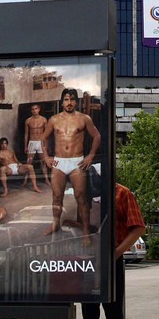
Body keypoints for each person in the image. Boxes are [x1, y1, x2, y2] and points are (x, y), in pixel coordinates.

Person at [76, 183, 145, 319]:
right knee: (88, 312)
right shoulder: (85, 191)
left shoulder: (122, 193)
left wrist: (117, 252)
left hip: (109, 259)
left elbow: (138, 226)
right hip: (87, 259)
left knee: (113, 311)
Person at [41, 88, 101, 243]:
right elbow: (43, 139)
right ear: (62, 102)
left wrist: (91, 155)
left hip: (76, 162)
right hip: (59, 162)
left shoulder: (84, 118)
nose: (69, 102)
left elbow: (96, 136)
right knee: (56, 196)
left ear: (76, 101)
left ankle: (86, 230)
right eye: (66, 99)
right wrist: (46, 157)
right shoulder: (53, 119)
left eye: (72, 99)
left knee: (81, 197)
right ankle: (55, 224)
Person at [24, 104, 50, 185]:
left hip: (40, 142)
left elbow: (46, 134)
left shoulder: (44, 120)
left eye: (36, 109)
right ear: (31, 110)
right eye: (32, 109)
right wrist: (25, 146)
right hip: (31, 142)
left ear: (39, 109)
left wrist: (46, 145)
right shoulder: (28, 121)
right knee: (28, 162)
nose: (34, 111)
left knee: (43, 162)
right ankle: (25, 180)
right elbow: (26, 134)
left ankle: (46, 179)